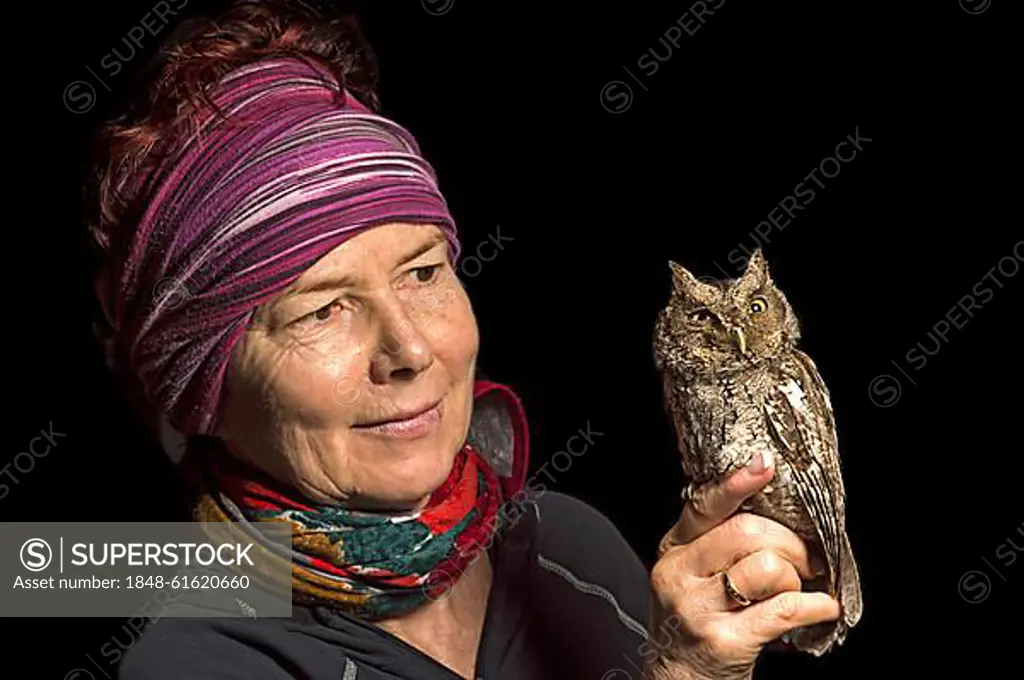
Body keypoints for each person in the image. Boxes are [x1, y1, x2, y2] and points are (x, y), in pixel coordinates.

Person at [85, 2, 841, 678]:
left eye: (421, 274)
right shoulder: (199, 657)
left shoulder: (570, 549)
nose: (411, 352)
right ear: (205, 392)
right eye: (322, 310)